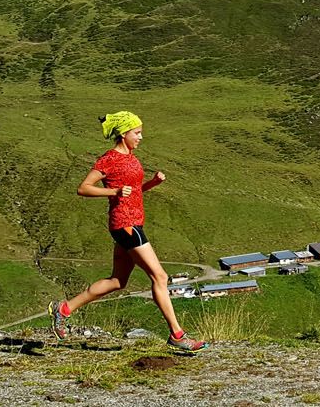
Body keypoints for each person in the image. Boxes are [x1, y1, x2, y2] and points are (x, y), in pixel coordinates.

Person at [48, 110, 205, 353]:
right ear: (123, 133)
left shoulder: (131, 157)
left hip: (131, 223)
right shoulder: (108, 159)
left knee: (118, 281)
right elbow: (83, 188)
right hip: (126, 224)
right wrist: (114, 192)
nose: (141, 137)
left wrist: (152, 183)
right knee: (160, 277)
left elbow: (133, 191)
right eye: (137, 133)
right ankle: (177, 334)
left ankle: (64, 309)